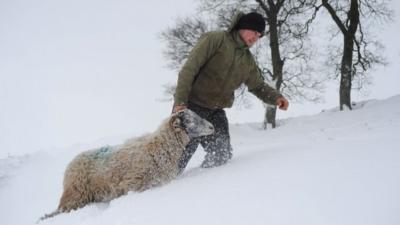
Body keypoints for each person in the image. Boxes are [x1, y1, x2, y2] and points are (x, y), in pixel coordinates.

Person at [172, 11, 289, 174]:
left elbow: (257, 85)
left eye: (260, 35)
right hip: (192, 108)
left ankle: (201, 187)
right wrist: (180, 103)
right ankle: (157, 193)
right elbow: (188, 70)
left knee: (221, 154)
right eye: (254, 32)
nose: (256, 37)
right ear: (243, 27)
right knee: (176, 160)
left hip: (215, 112)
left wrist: (276, 97)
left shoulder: (247, 60)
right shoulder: (216, 39)